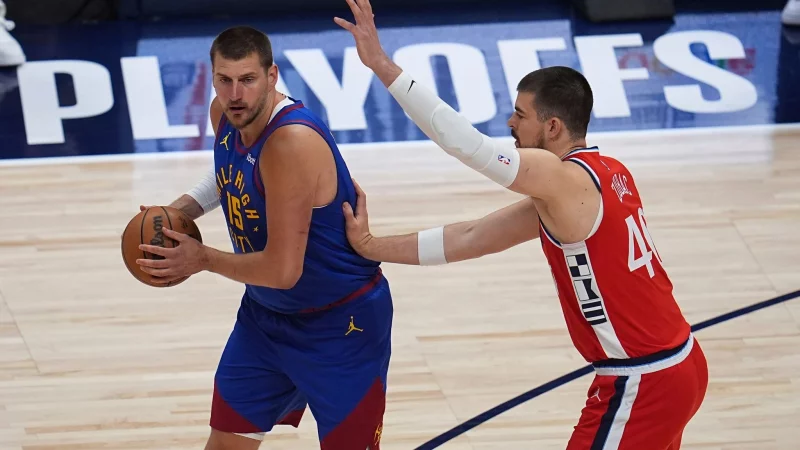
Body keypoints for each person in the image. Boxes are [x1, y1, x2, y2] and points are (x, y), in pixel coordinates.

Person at [334, 0, 708, 448]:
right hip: (677, 363)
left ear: (552, 127)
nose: (510, 123)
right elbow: (471, 237)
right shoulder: (604, 175)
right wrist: (372, 246)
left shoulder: (563, 177)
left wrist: (380, 65)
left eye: (520, 115)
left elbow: (468, 146)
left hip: (643, 377)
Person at [135, 26, 392, 450]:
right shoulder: (224, 114)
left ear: (272, 76)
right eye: (225, 80)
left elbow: (282, 269)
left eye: (248, 80)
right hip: (266, 318)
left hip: (341, 326)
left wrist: (201, 258)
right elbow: (230, 176)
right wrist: (178, 213)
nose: (235, 94)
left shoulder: (291, 142)